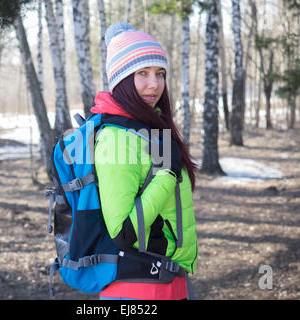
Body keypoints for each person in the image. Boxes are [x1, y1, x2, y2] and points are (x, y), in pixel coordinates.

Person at [90, 22, 198, 300]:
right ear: (122, 80)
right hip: (137, 289)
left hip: (169, 281)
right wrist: (167, 174)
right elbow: (122, 233)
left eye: (160, 73)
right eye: (142, 73)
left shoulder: (150, 131)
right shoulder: (116, 138)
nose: (155, 84)